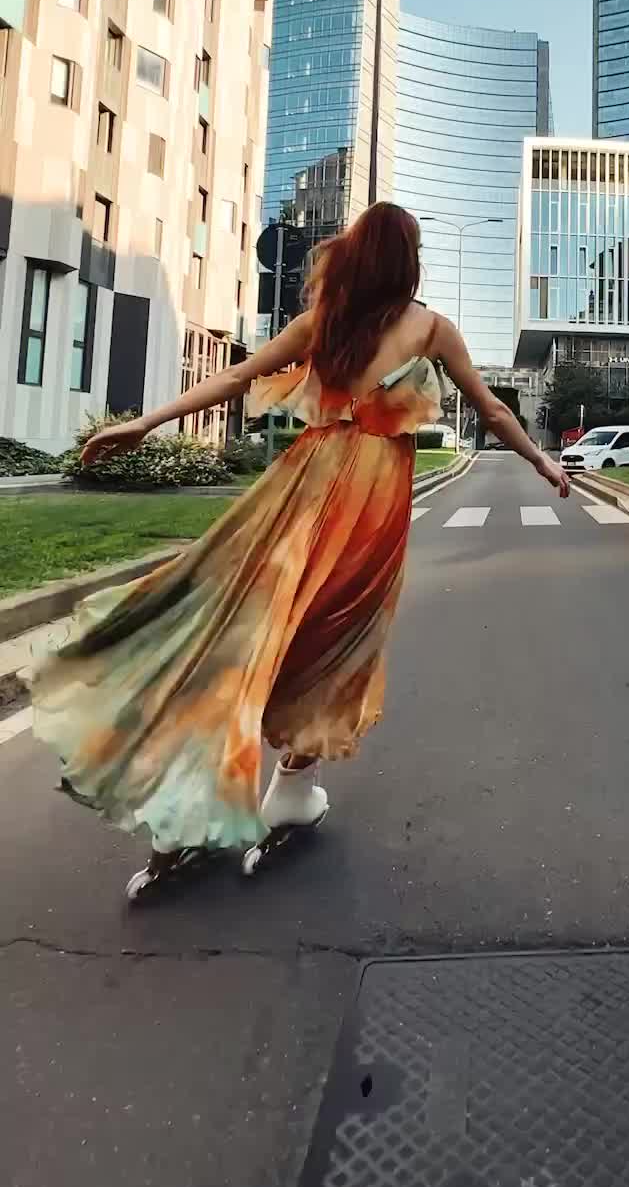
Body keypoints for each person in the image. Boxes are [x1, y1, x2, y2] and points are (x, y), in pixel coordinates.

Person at [28, 203, 570, 894]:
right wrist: (542, 463)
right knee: (330, 647)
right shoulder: (430, 328)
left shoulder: (326, 324)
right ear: (406, 263)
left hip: (297, 500)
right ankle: (279, 793)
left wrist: (146, 424)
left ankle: (189, 807)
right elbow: (493, 408)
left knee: (240, 630)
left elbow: (234, 378)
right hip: (367, 519)